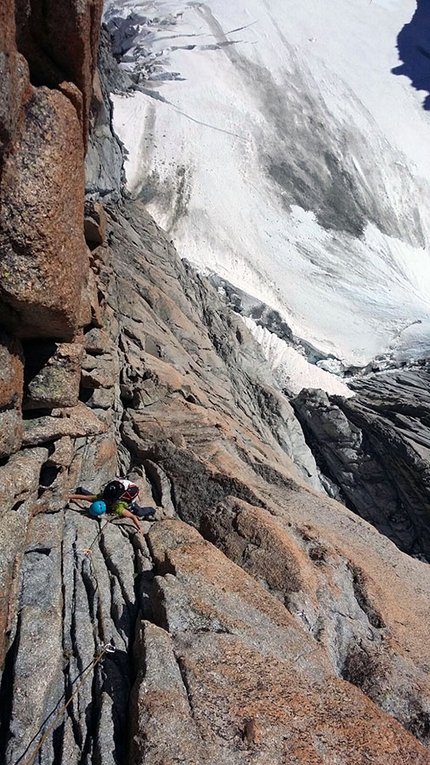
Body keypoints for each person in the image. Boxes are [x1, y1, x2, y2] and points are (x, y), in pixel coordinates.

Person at [69, 478, 156, 533]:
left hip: (129, 491)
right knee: (92, 497)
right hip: (122, 485)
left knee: (140, 512)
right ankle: (80, 489)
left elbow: (133, 516)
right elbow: (84, 497)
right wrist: (68, 496)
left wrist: (139, 527)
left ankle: (153, 510)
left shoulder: (118, 508)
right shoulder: (102, 497)